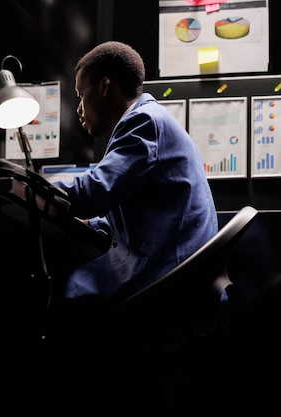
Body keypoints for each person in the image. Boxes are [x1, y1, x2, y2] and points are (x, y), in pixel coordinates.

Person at [52, 41, 218, 309]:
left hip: (168, 277)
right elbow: (136, 219)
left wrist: (36, 187)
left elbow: (95, 192)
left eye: (81, 94)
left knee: (59, 293)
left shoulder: (143, 122)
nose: (79, 109)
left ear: (105, 87)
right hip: (179, 271)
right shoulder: (150, 120)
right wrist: (92, 224)